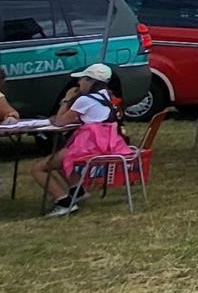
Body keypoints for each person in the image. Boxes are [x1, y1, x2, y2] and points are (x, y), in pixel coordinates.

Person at [29, 64, 133, 218]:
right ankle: (76, 190)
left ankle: (63, 202)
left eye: (82, 79)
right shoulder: (107, 96)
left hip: (89, 146)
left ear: (91, 81)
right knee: (60, 158)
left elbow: (59, 122)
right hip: (107, 143)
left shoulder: (85, 99)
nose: (79, 83)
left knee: (38, 169)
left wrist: (67, 99)